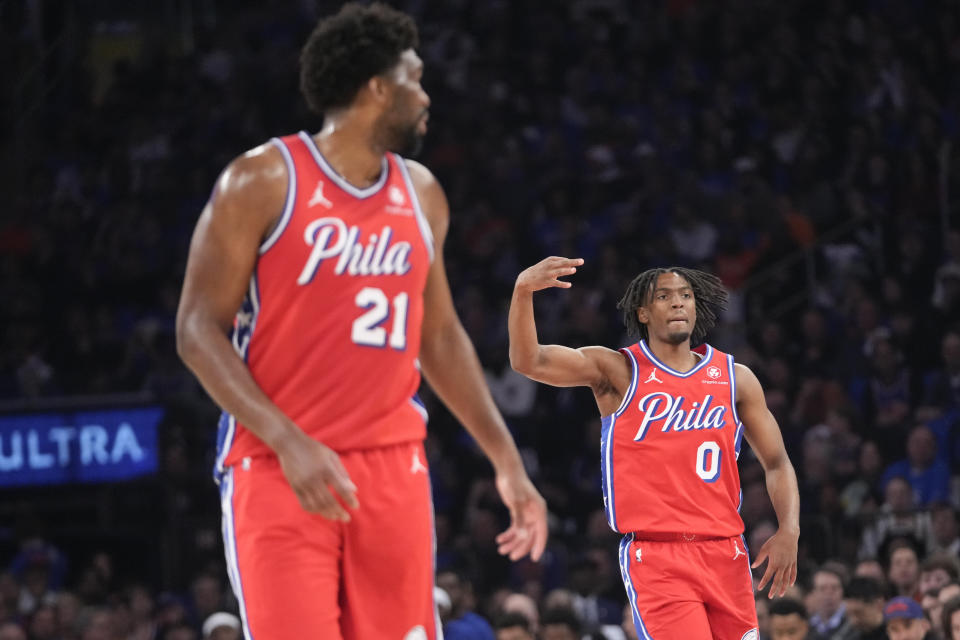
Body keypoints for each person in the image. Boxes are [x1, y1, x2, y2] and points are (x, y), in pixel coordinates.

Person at [175, 4, 548, 639]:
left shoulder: (423, 193)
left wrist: (505, 459)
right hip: (278, 464)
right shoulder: (261, 180)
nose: (427, 95)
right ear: (379, 86)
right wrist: (287, 440)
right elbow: (195, 329)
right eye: (416, 78)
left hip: (391, 467)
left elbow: (438, 336)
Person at [508, 259, 800, 639]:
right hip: (659, 557)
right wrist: (522, 291)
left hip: (726, 551)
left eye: (685, 296)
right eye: (664, 296)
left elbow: (777, 462)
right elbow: (528, 360)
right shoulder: (618, 370)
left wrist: (789, 530)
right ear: (643, 312)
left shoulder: (735, 378)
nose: (678, 303)